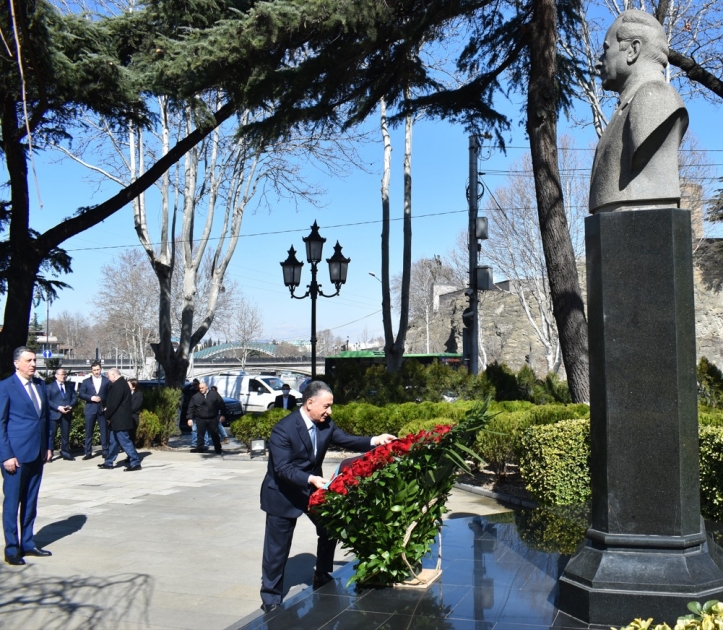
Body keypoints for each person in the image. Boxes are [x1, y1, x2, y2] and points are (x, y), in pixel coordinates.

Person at [259, 380, 396, 612]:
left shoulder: (325, 424)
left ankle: (322, 573)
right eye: (326, 406)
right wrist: (311, 479)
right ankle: (271, 599)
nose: (329, 411)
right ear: (310, 403)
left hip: (313, 490)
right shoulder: (284, 429)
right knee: (277, 549)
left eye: (331, 406)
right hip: (283, 493)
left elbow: (347, 440)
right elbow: (282, 469)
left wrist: (375, 441)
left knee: (329, 528)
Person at [589, 9, 688, 214]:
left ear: (633, 50)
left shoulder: (655, 98)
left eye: (606, 49)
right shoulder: (626, 108)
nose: (598, 62)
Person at [0, 346, 53, 565]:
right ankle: (12, 547)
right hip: (15, 456)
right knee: (12, 503)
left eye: (34, 360)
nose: (33, 364)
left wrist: (48, 446)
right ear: (16, 363)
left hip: (37, 453)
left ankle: (28, 543)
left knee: (31, 502)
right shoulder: (5, 387)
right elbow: (0, 424)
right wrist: (6, 455)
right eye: (29, 360)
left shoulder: (40, 385)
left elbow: (46, 419)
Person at [98, 369, 141, 471]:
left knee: (125, 441)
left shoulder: (119, 385)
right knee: (114, 442)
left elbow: (113, 404)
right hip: (116, 420)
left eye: (109, 376)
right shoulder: (120, 384)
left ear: (114, 375)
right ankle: (109, 462)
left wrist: (106, 414)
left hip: (120, 420)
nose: (108, 378)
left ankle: (135, 462)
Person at [78, 361, 110, 460]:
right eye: (94, 370)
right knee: (88, 432)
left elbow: (110, 394)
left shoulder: (106, 381)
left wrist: (107, 405)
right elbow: (81, 394)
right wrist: (91, 397)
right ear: (91, 371)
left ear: (101, 369)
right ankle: (88, 452)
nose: (96, 372)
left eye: (98, 370)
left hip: (102, 409)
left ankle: (105, 451)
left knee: (104, 431)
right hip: (90, 409)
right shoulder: (86, 381)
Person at [46, 368, 78, 461]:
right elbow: (47, 400)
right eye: (61, 374)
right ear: (56, 375)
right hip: (54, 414)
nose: (63, 376)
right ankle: (49, 453)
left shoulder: (69, 386)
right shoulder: (50, 387)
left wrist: (70, 406)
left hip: (66, 413)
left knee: (65, 434)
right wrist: (58, 407)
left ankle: (65, 453)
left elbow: (74, 398)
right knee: (52, 435)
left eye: (64, 374)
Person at [187, 382, 226, 454]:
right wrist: (189, 418)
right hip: (200, 418)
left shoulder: (214, 394)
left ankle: (218, 449)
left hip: (212, 418)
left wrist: (223, 415)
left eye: (202, 388)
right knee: (200, 434)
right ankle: (200, 448)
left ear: (206, 387)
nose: (201, 389)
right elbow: (191, 408)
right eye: (200, 388)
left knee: (214, 434)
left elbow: (221, 404)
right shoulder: (195, 397)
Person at [128, 378, 143, 446]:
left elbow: (135, 407)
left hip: (133, 416)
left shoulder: (138, 394)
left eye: (129, 385)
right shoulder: (129, 393)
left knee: (132, 435)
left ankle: (132, 453)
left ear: (133, 386)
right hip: (128, 416)